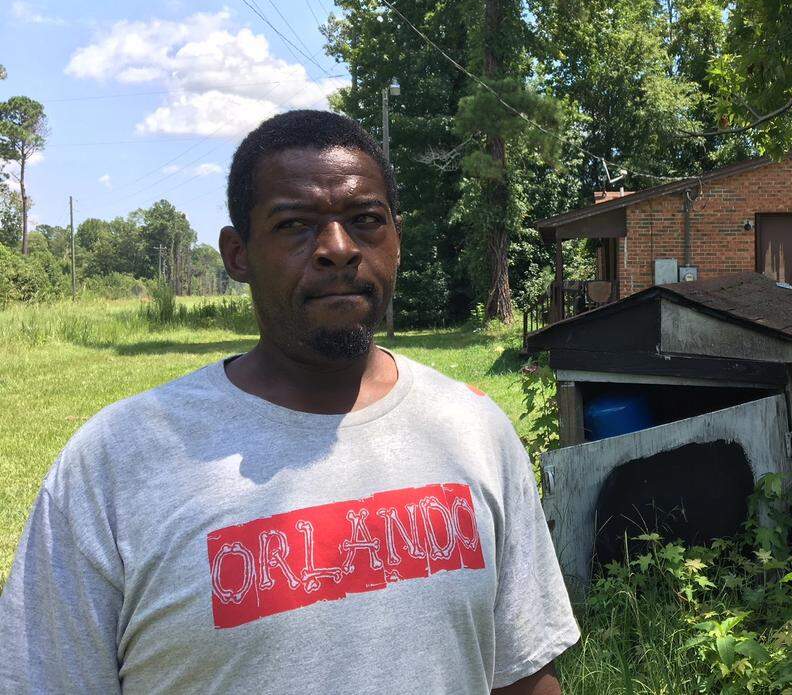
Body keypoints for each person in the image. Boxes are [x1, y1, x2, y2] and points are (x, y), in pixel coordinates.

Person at [0, 110, 579, 694]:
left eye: (366, 220)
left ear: (397, 240)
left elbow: (525, 675)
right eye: (294, 225)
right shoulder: (117, 463)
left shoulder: (473, 429)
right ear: (237, 254)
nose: (337, 248)